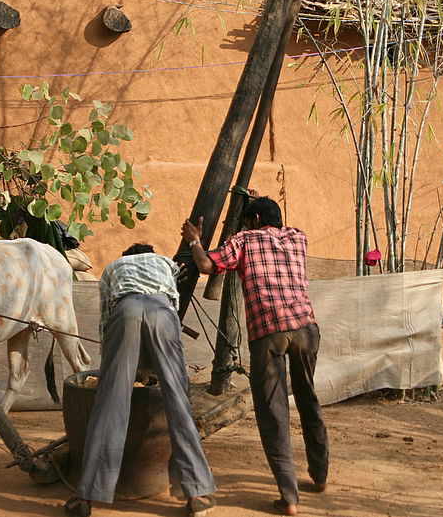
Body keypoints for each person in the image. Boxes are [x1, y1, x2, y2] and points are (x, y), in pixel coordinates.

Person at [181, 196, 329, 517]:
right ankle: (319, 476)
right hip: (306, 329)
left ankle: (289, 498)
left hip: (268, 334)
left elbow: (207, 264)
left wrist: (195, 241)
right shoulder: (298, 237)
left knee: (273, 410)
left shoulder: (245, 240)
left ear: (255, 219)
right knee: (308, 399)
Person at [64, 243, 217, 517]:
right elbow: (174, 302)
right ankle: (197, 494)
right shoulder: (164, 263)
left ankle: (86, 496)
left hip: (125, 310)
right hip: (163, 311)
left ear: (127, 258)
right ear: (149, 252)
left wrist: (112, 367)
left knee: (110, 402)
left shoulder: (112, 268)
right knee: (178, 400)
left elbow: (105, 319)